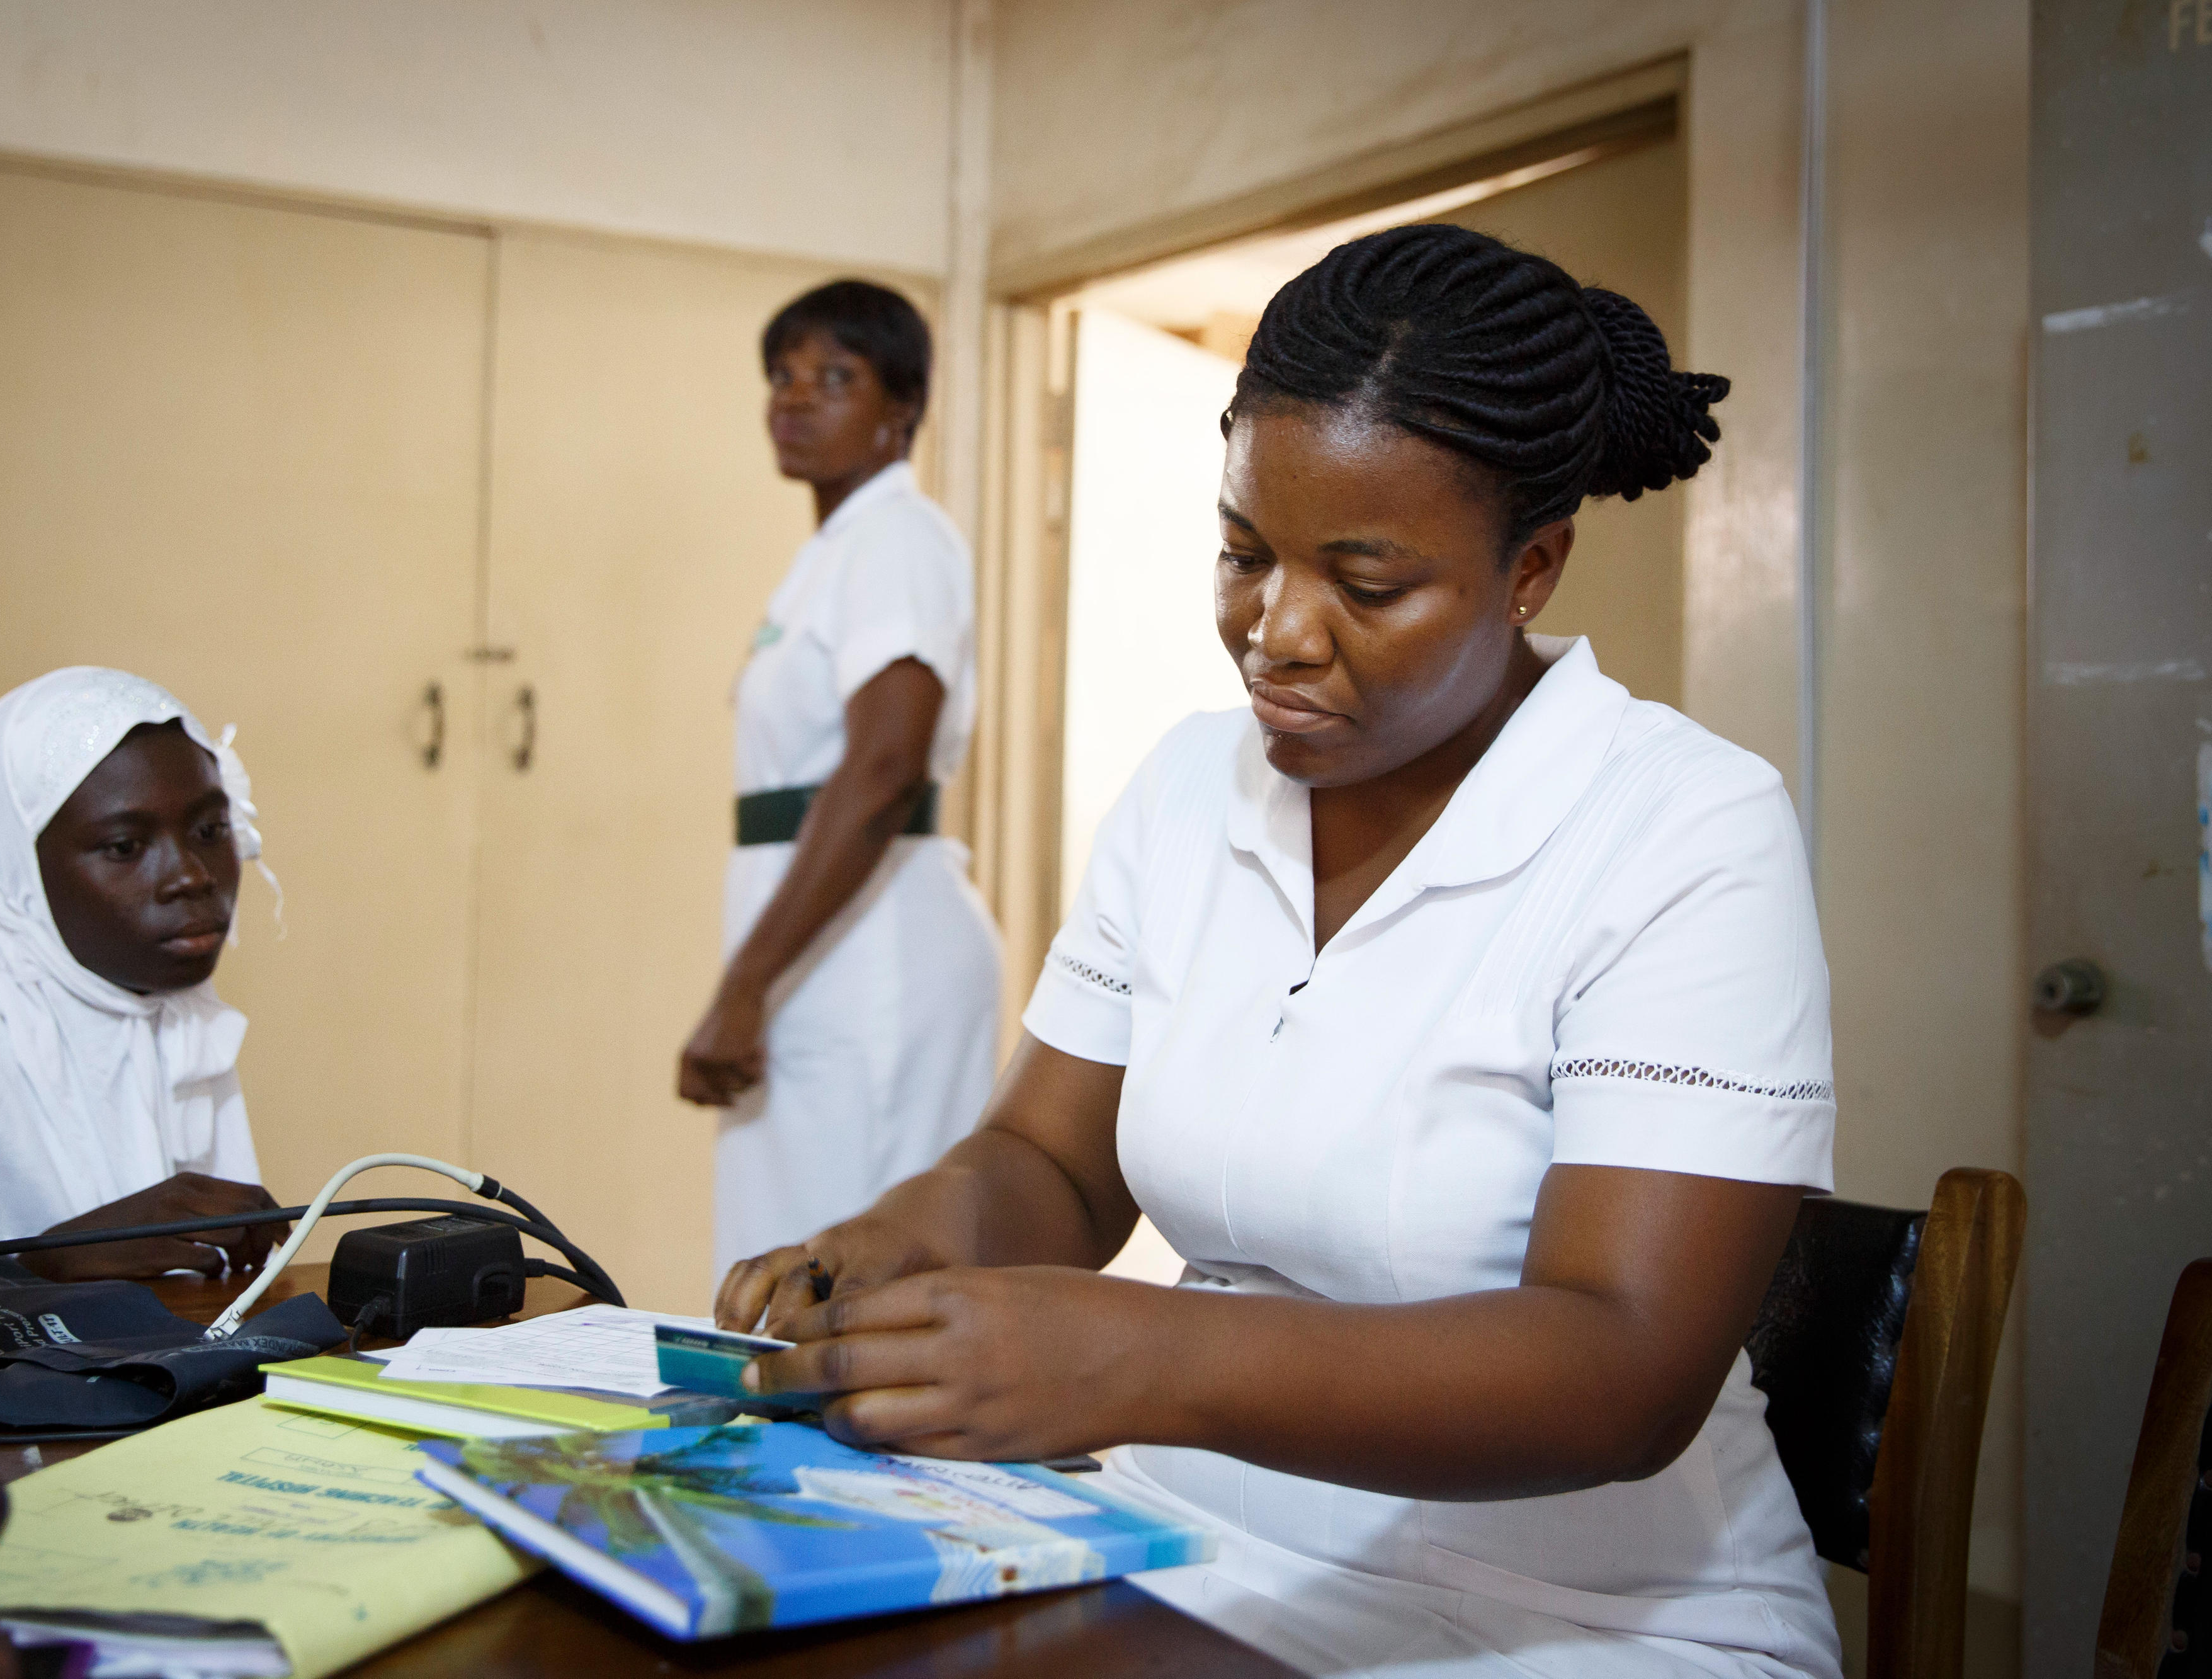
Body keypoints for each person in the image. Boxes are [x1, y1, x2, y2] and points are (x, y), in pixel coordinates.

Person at [714, 226, 1842, 1679]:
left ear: (1530, 569)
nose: (1274, 634)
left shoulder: (1682, 826)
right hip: (1182, 1545)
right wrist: (909, 1231)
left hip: (1576, 1614)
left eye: (1364, 585)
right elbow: (1052, 1164)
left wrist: (1142, 1354)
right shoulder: (1189, 787)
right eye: (1243, 553)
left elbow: (1620, 1366)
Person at [679, 280, 1002, 1280]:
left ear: (900, 408)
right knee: (790, 1265)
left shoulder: (898, 540)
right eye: (781, 376)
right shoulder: (837, 552)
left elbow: (880, 768)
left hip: (873, 959)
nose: (794, 397)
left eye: (834, 377)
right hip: (830, 948)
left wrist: (745, 984)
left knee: (846, 1275)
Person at [0, 666, 282, 1282]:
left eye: (211, 831)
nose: (192, 875)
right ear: (15, 870)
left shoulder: (178, 1020)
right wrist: (47, 1262)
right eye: (126, 846)